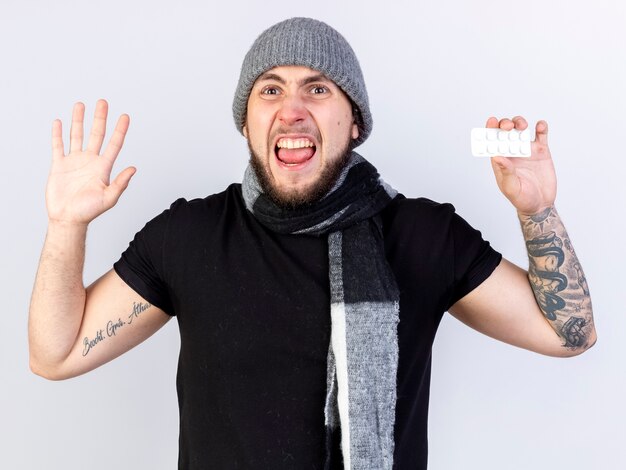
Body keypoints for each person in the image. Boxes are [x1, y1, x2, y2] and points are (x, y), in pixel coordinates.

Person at [28, 17, 596, 470]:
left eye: (318, 89)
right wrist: (66, 227)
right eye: (269, 90)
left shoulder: (421, 235)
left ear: (354, 122)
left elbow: (567, 334)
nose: (291, 110)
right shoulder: (190, 236)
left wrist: (537, 211)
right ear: (246, 122)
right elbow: (54, 355)